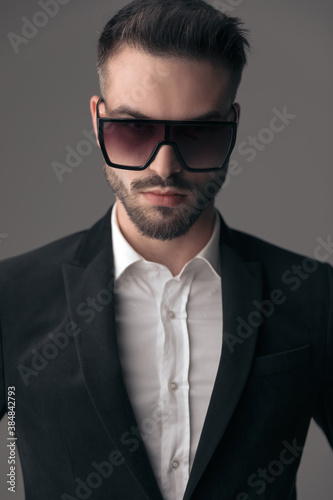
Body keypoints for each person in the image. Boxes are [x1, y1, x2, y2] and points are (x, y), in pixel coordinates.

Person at [0, 0, 332, 499]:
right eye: (135, 130)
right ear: (98, 121)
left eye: (198, 132)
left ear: (234, 127)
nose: (165, 166)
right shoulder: (11, 296)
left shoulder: (315, 294)